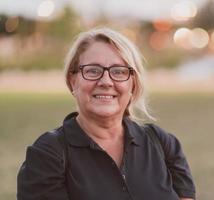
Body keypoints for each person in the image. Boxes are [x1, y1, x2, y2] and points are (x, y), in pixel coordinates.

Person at [17, 27, 196, 200]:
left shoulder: (163, 143)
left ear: (133, 84)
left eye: (119, 71)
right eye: (93, 71)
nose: (106, 81)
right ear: (73, 81)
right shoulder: (47, 154)